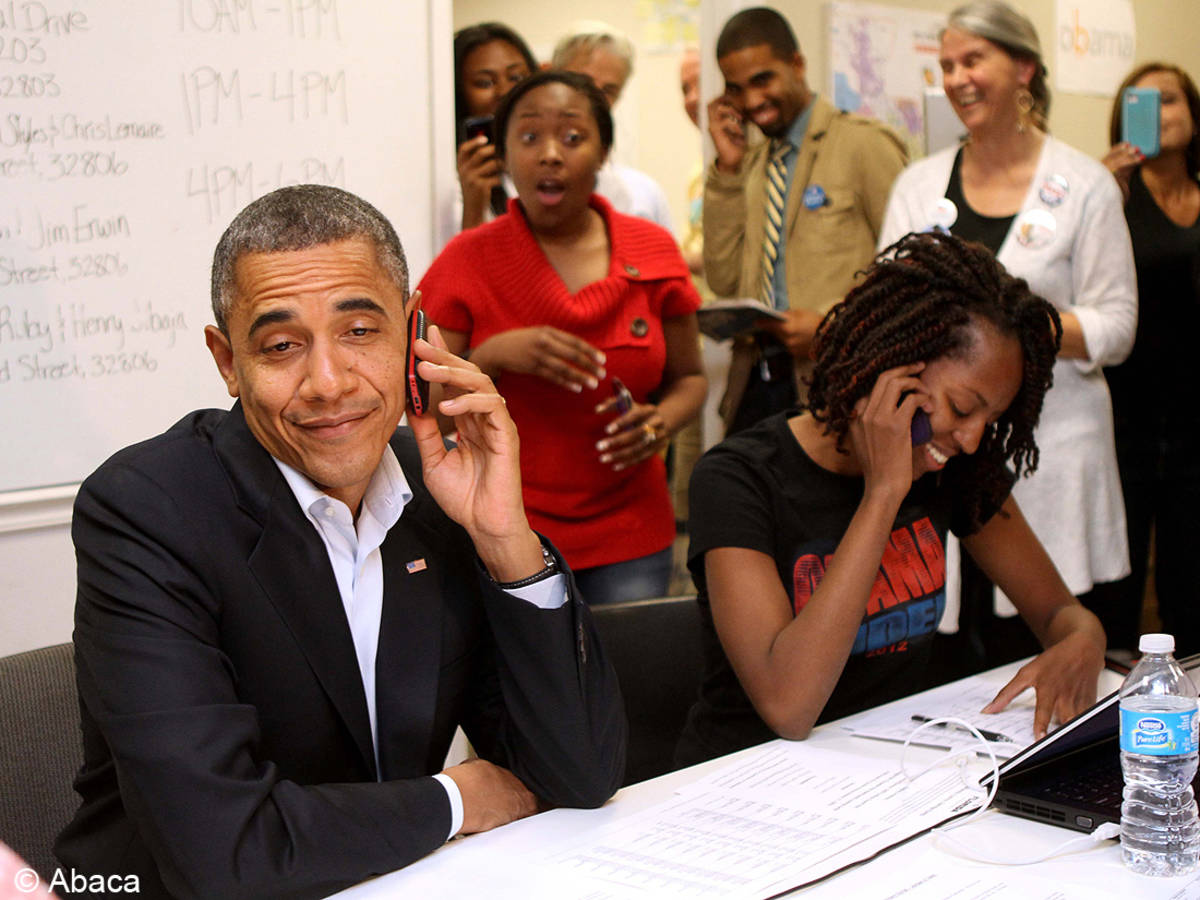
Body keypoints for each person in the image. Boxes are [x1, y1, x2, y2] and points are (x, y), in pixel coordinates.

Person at [54, 185, 626, 898]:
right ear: (227, 361)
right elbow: (221, 852)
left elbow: (579, 774)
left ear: (414, 334)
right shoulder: (148, 509)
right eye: (281, 346)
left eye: (360, 332)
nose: (328, 383)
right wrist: (455, 800)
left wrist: (505, 539)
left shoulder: (437, 491)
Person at [676, 231, 1107, 767]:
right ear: (892, 364)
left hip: (885, 768)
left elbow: (1062, 613)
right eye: (961, 406)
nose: (973, 439)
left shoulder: (955, 468)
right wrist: (883, 492)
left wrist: (1083, 642)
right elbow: (789, 706)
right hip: (748, 779)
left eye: (990, 420)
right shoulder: (738, 479)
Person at [879, 0, 1136, 665]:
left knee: (1048, 638)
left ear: (1023, 67)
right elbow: (884, 307)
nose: (958, 79)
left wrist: (1015, 330)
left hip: (1054, 453)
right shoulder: (917, 185)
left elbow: (1118, 324)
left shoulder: (1085, 186)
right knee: (949, 655)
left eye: (973, 60)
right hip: (939, 454)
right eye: (947, 66)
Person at [418, 71, 706, 606]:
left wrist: (661, 422)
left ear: (603, 153)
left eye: (573, 138)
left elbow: (690, 378)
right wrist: (491, 358)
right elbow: (424, 410)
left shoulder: (655, 250)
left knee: (625, 678)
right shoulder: (467, 260)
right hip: (504, 528)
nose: (551, 154)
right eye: (529, 138)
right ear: (503, 156)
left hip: (631, 531)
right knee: (527, 684)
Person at [703, 6, 908, 435]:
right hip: (756, 383)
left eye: (764, 80)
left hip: (836, 383)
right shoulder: (752, 163)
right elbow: (723, 279)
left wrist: (832, 328)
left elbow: (911, 274)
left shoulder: (862, 145)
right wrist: (726, 169)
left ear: (797, 65)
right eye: (736, 89)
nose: (751, 101)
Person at [1101, 63, 1200, 654]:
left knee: (1191, 571)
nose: (1158, 113)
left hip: (1194, 415)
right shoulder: (1106, 192)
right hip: (1123, 410)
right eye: (1143, 102)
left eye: (1170, 100)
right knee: (1120, 569)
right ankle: (1103, 704)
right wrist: (1103, 192)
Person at [552, 21, 675, 230]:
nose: (594, 99)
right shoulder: (522, 182)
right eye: (583, 82)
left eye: (608, 90)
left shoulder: (644, 194)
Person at [451, 22, 537, 237]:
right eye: (485, 82)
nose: (504, 91)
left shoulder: (553, 161)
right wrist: (473, 205)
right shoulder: (454, 178)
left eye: (516, 77)